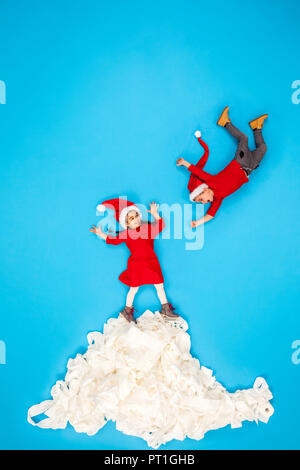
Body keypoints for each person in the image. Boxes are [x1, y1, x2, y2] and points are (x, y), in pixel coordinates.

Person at [176, 106, 268, 227]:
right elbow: (210, 215)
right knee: (263, 148)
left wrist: (184, 163)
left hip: (240, 162)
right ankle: (256, 127)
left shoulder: (211, 181)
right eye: (201, 203)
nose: (204, 203)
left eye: (200, 199)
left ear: (203, 190)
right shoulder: (218, 199)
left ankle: (225, 122)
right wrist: (197, 223)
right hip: (250, 168)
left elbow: (197, 172)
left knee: (243, 138)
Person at [90, 198, 178, 323]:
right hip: (136, 265)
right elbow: (113, 241)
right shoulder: (125, 234)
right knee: (134, 288)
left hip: (151, 263)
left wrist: (154, 213)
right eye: (131, 218)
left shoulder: (147, 228)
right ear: (125, 223)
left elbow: (161, 225)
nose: (136, 219)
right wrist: (101, 233)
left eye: (136, 216)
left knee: (159, 285)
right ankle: (126, 311)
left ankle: (165, 309)